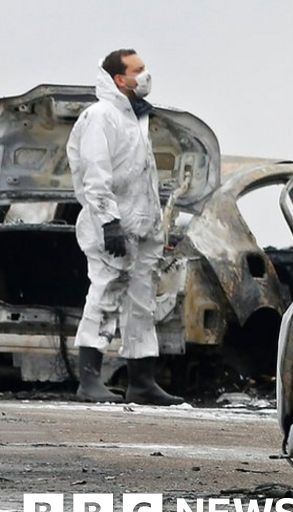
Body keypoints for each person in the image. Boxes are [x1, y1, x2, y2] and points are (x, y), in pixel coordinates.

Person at [66, 49, 183, 405]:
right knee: (104, 295)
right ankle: (89, 380)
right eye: (139, 70)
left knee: (142, 302)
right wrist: (108, 222)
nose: (146, 75)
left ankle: (142, 381)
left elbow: (140, 176)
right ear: (120, 79)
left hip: (143, 226)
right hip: (112, 226)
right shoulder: (100, 117)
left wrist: (154, 225)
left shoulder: (135, 118)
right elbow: (94, 176)